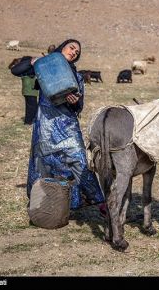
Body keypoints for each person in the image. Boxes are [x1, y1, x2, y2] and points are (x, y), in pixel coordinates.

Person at [11, 39, 106, 214]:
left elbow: (79, 107)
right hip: (45, 126)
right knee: (43, 164)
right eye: (72, 48)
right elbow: (16, 70)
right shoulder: (45, 66)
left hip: (68, 126)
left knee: (80, 160)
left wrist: (75, 102)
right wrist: (33, 61)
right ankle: (42, 205)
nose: (74, 52)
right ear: (62, 47)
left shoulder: (76, 76)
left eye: (77, 52)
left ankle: (100, 202)